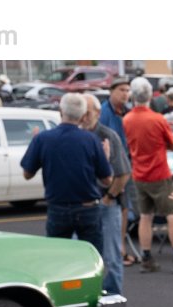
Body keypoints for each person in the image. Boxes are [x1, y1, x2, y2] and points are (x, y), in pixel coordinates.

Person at [20, 93, 110, 253]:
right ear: (83, 116)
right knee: (92, 257)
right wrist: (106, 158)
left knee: (58, 257)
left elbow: (27, 174)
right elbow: (107, 180)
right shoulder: (91, 140)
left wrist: (35, 147)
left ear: (61, 112)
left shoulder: (42, 139)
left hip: (58, 208)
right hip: (88, 207)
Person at [123, 76, 173, 273]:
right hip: (159, 173)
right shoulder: (157, 119)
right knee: (172, 214)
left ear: (133, 96)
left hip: (139, 174)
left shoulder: (127, 120)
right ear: (150, 96)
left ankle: (146, 258)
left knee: (145, 216)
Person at [80, 93, 131, 299]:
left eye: (88, 112)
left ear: (98, 113)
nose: (84, 116)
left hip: (105, 204)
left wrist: (109, 197)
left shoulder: (108, 136)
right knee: (83, 256)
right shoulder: (77, 136)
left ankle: (113, 298)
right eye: (81, 111)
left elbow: (123, 173)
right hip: (81, 206)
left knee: (110, 256)